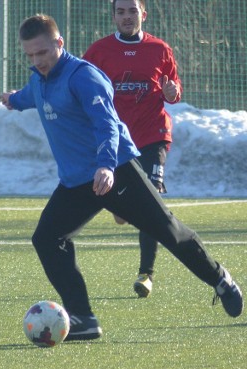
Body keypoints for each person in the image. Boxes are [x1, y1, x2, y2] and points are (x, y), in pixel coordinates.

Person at [0, 14, 243, 340]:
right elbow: (32, 96)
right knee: (46, 238)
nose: (37, 60)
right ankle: (83, 318)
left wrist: (106, 165)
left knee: (168, 231)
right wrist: (13, 100)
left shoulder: (83, 77)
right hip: (76, 182)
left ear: (59, 43)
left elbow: (107, 124)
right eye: (30, 55)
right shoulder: (39, 81)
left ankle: (221, 280)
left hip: (117, 171)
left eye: (42, 52)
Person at [83, 0, 182, 298]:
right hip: (116, 142)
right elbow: (81, 83)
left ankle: (145, 274)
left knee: (151, 202)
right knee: (125, 211)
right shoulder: (98, 51)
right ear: (113, 16)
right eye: (121, 12)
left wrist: (172, 92)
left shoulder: (160, 49)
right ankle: (124, 208)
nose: (127, 17)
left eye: (133, 11)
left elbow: (174, 87)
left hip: (154, 134)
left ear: (143, 14)